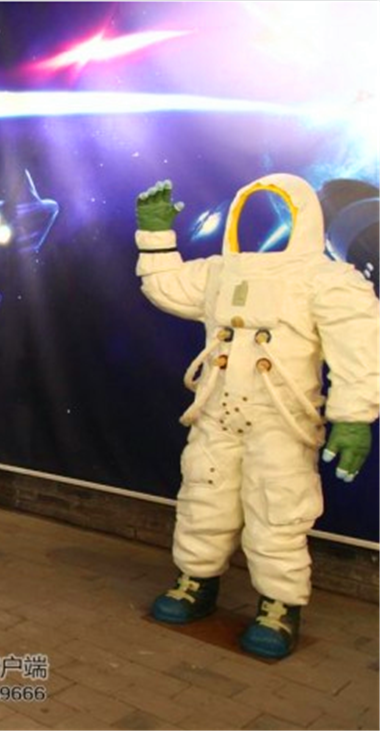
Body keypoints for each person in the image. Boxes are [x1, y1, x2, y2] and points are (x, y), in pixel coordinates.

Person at [136, 176, 379, 659]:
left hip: (282, 423)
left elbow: (358, 345)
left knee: (278, 509)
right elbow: (166, 287)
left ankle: (279, 605)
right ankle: (196, 581)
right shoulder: (220, 272)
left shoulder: (326, 279)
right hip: (216, 415)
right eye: (248, 209)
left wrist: (354, 417)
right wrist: (156, 236)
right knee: (204, 497)